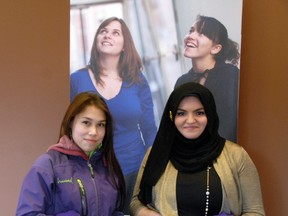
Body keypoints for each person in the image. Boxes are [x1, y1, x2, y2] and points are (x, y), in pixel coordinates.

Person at [130, 82, 265, 216]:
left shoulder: (236, 155)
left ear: (210, 115)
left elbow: (255, 211)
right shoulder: (155, 154)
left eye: (199, 113)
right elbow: (136, 202)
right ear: (171, 117)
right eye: (181, 113)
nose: (190, 120)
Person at [70, 17, 157, 213]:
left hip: (134, 168)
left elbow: (149, 128)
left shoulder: (137, 80)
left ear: (125, 45)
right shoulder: (77, 79)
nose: (107, 34)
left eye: (115, 32)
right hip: (91, 170)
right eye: (103, 30)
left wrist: (152, 167)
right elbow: (68, 128)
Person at [16, 92, 125, 216]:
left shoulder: (109, 167)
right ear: (71, 123)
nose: (94, 132)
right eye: (86, 122)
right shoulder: (48, 165)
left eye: (100, 125)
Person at [175, 15, 240, 143]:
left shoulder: (231, 76)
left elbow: (231, 125)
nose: (191, 36)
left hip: (225, 154)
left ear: (215, 48)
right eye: (191, 30)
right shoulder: (182, 82)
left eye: (201, 33)